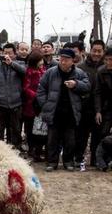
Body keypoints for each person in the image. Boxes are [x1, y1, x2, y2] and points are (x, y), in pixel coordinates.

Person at [36, 48, 90, 172]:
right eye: (62, 59)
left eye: (67, 59)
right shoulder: (50, 72)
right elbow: (41, 89)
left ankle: (68, 161)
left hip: (71, 112)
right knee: (52, 139)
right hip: (54, 111)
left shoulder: (79, 73)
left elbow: (87, 86)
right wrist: (45, 105)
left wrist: (76, 84)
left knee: (70, 140)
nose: (63, 62)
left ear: (73, 61)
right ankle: (52, 162)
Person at [0, 43, 26, 148]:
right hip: (0, 104)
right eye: (5, 53)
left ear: (14, 54)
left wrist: (12, 64)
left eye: (9, 53)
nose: (6, 55)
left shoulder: (20, 64)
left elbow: (25, 73)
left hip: (16, 103)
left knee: (15, 131)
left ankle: (16, 151)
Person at [75, 39, 105, 170]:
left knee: (98, 136)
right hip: (84, 107)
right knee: (81, 136)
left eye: (99, 51)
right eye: (94, 50)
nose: (96, 54)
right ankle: (79, 159)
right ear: (90, 50)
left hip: (102, 108)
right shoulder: (81, 67)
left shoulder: (107, 67)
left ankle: (95, 160)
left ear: (103, 52)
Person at [22, 50, 46, 161]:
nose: (42, 62)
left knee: (41, 129)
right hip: (31, 105)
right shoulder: (29, 72)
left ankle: (39, 151)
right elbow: (26, 88)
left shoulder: (43, 71)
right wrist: (36, 96)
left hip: (42, 105)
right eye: (40, 60)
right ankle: (32, 151)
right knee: (31, 129)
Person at [94, 48, 112, 152]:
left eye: (111, 59)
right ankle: (101, 159)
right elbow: (97, 92)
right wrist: (98, 111)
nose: (108, 62)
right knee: (103, 132)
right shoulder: (101, 71)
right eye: (106, 60)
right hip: (107, 107)